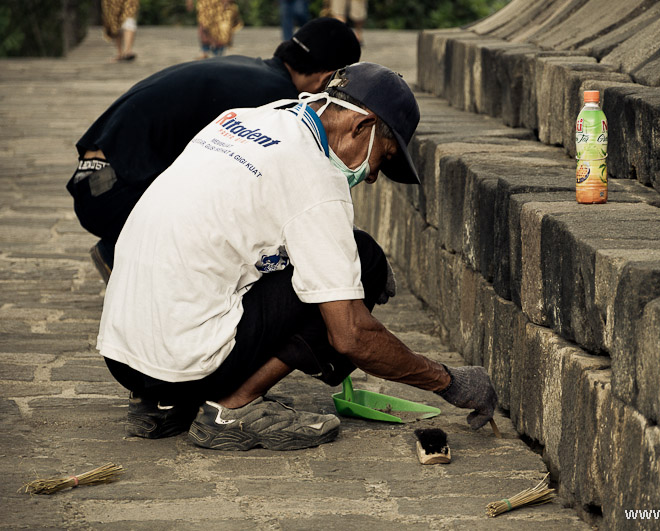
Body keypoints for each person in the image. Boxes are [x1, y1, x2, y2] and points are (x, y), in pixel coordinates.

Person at [97, 62, 499, 451]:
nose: (374, 176)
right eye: (384, 158)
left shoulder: (248, 117)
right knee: (365, 260)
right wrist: (448, 382)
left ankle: (159, 405)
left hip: (122, 357)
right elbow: (351, 336)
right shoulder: (316, 179)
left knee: (332, 255)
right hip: (181, 365)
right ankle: (233, 410)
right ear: (362, 126)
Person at [67, 17, 360, 282]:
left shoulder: (251, 70)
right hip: (110, 195)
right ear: (327, 78)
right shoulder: (275, 100)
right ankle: (120, 252)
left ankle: (129, 250)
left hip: (93, 182)